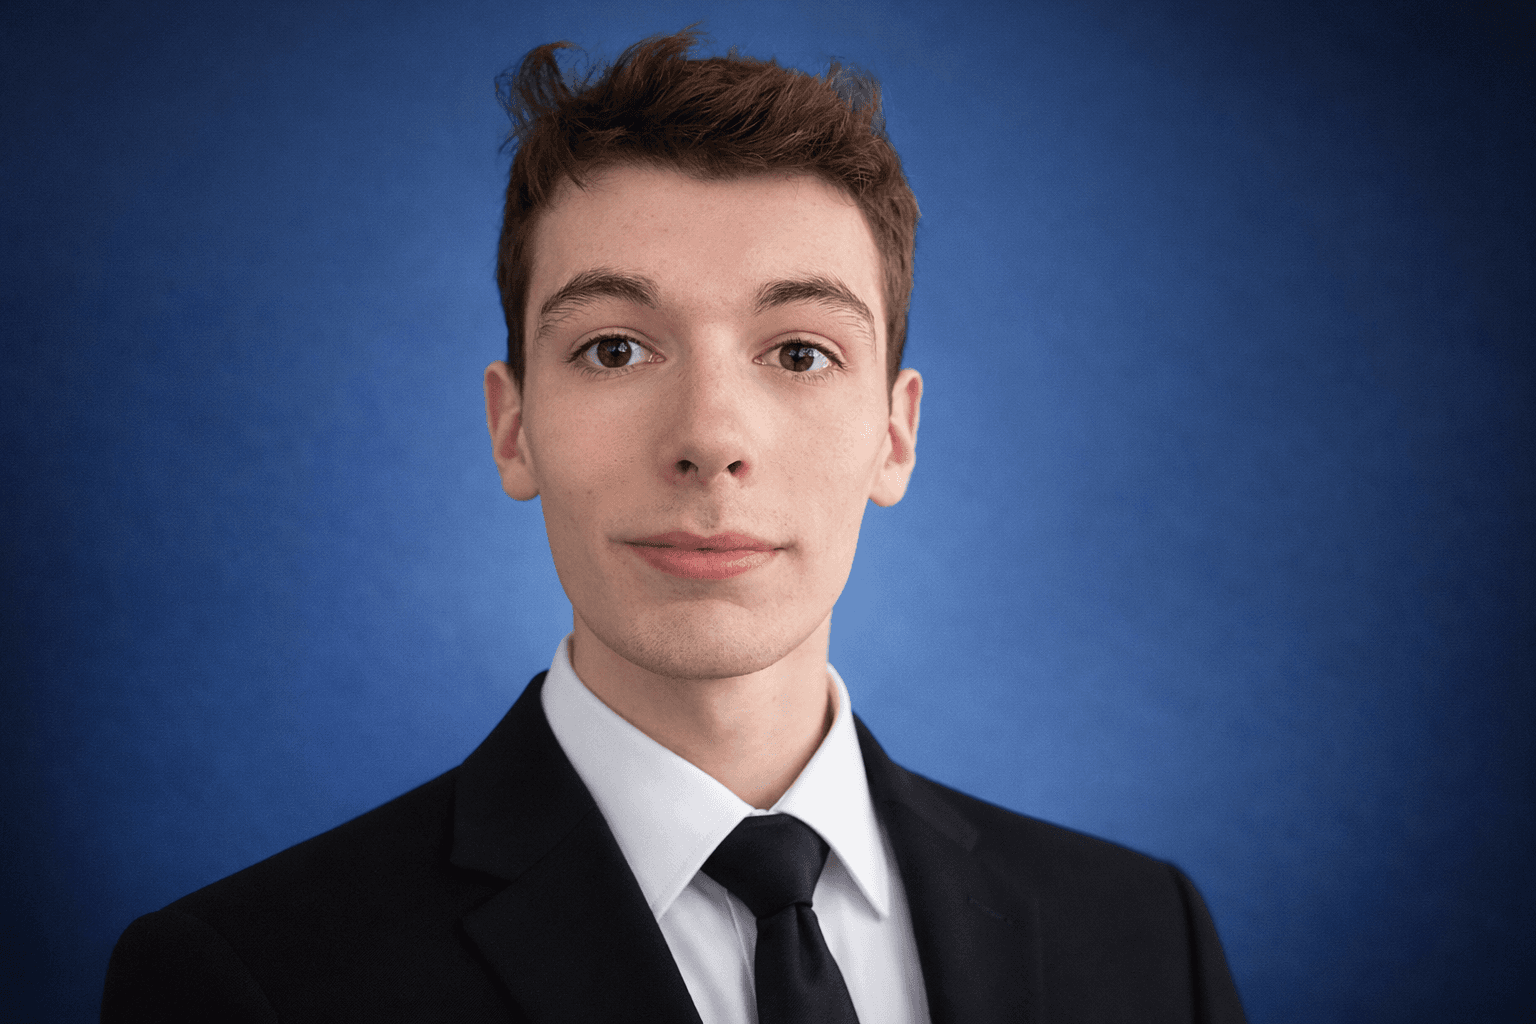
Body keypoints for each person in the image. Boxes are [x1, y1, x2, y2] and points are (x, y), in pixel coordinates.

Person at [102, 29, 1247, 1024]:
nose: (710, 436)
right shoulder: (248, 981)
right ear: (513, 429)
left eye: (800, 351)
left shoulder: (1150, 938)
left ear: (894, 435)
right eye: (614, 347)